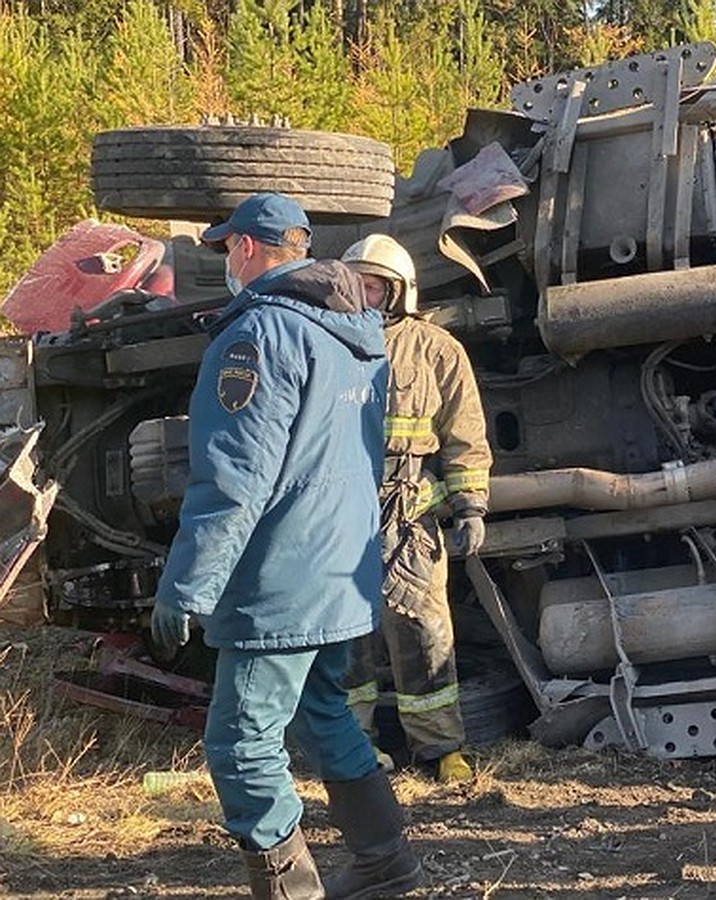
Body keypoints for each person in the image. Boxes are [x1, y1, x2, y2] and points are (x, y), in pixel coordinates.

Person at [149, 193, 424, 900]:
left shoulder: (258, 337)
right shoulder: (356, 333)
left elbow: (235, 479)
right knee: (326, 711)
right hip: (340, 570)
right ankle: (386, 864)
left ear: (246, 247)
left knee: (240, 746)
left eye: (226, 249)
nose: (225, 263)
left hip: (281, 576)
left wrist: (187, 588)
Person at [339, 233, 492, 783]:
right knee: (345, 638)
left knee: (425, 633)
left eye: (375, 285)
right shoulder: (326, 344)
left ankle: (441, 748)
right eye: (355, 283)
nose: (364, 293)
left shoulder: (435, 349)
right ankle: (353, 747)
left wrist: (471, 506)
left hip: (408, 517)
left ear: (398, 291)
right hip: (337, 514)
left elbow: (464, 434)